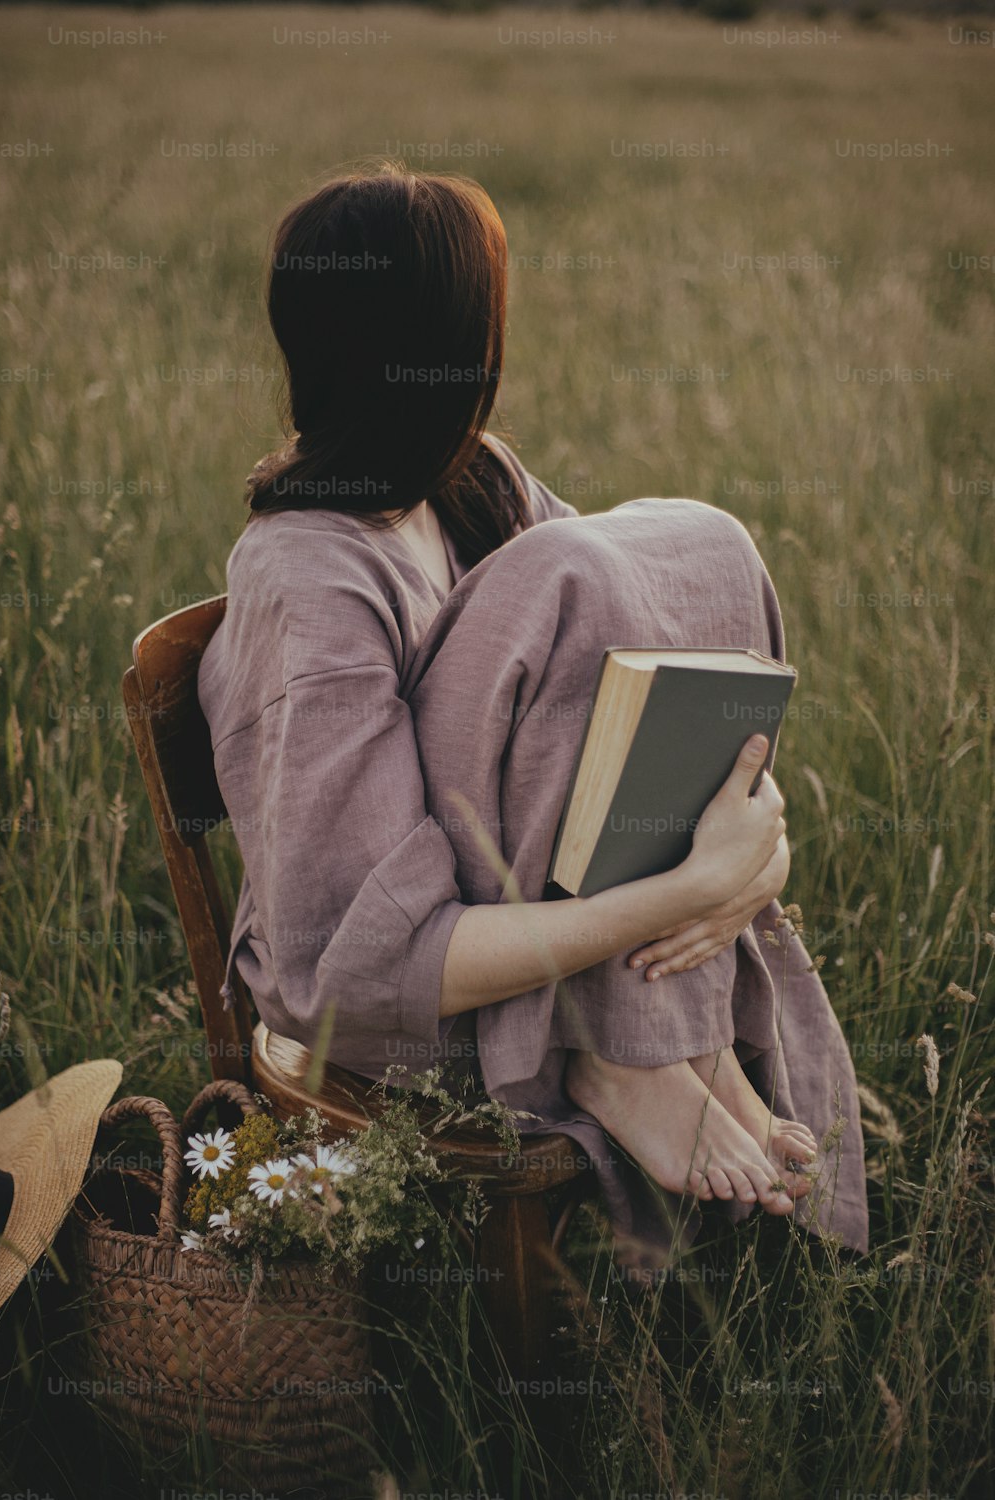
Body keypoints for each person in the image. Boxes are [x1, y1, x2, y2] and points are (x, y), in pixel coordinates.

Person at [198, 162, 868, 1274]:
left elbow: (635, 679)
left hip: (530, 931)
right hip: (409, 1005)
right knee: (571, 568)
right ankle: (626, 1052)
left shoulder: (470, 484)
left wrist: (754, 846)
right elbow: (358, 972)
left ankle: (668, 1048)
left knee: (687, 542)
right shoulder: (308, 583)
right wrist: (685, 891)